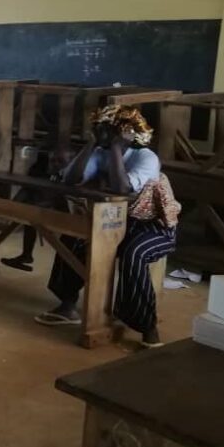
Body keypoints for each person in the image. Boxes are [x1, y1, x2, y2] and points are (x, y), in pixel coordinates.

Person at [35, 105, 180, 347]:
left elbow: (122, 188)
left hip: (153, 227)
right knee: (74, 237)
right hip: (117, 222)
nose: (97, 132)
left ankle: (147, 326)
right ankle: (67, 305)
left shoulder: (146, 157)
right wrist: (91, 145)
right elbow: (70, 179)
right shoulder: (100, 151)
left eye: (103, 129)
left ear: (122, 131)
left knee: (134, 254)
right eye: (96, 128)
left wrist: (115, 148)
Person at [0, 146, 73, 272]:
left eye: (60, 161)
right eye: (53, 160)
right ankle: (26, 254)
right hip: (38, 205)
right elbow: (28, 187)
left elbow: (62, 201)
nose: (56, 163)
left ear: (69, 162)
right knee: (30, 208)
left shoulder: (71, 175)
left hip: (61, 212)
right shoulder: (39, 168)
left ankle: (66, 262)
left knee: (33, 211)